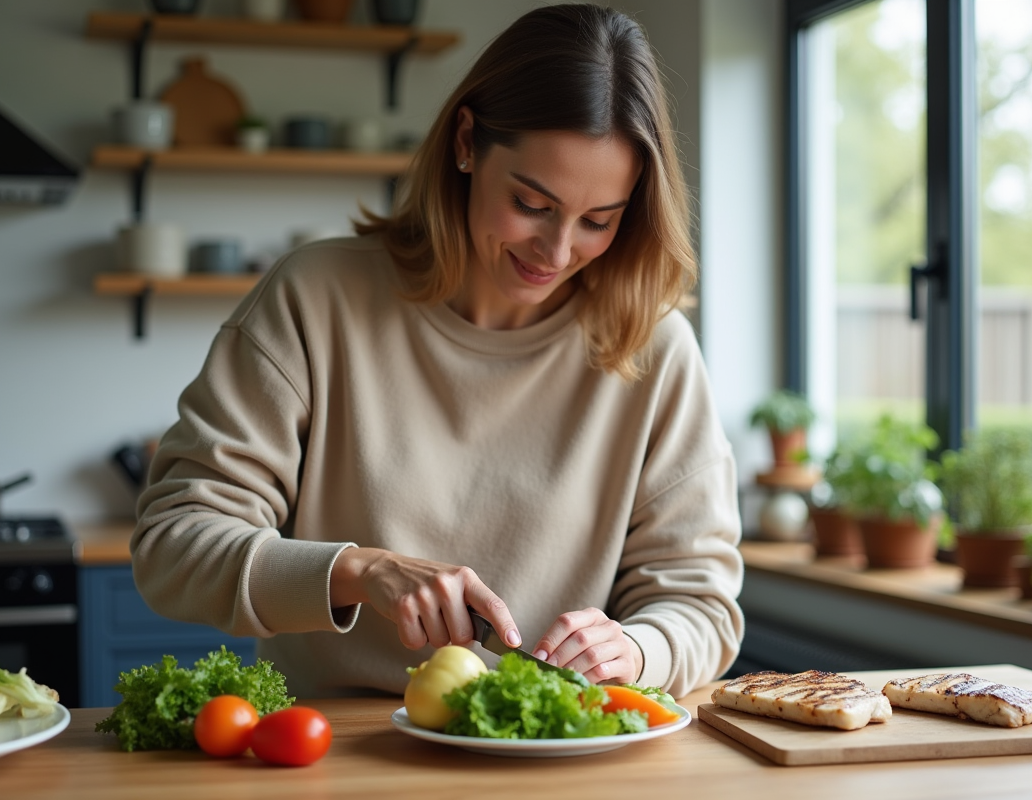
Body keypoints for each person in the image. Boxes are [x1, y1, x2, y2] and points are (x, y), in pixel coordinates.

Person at [132, 3, 744, 700]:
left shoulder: (653, 349)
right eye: (532, 203)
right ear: (465, 141)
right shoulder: (317, 298)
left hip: (558, 762)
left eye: (598, 221)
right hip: (333, 755)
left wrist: (635, 650)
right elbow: (172, 545)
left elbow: (703, 608)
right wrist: (359, 572)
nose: (558, 249)